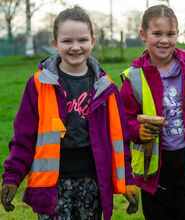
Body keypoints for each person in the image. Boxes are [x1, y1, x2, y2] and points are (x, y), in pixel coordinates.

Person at [0, 5, 139, 220]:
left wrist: (128, 180)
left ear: (93, 41)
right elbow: (24, 137)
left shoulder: (106, 87)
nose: (76, 47)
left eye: (82, 40)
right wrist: (12, 177)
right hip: (52, 183)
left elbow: (121, 139)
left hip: (92, 180)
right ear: (55, 44)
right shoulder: (39, 84)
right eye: (67, 41)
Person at [119, 4, 185, 220]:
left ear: (178, 33)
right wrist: (137, 130)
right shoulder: (133, 77)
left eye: (170, 34)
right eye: (157, 34)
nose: (164, 40)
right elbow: (123, 121)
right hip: (154, 166)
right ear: (143, 35)